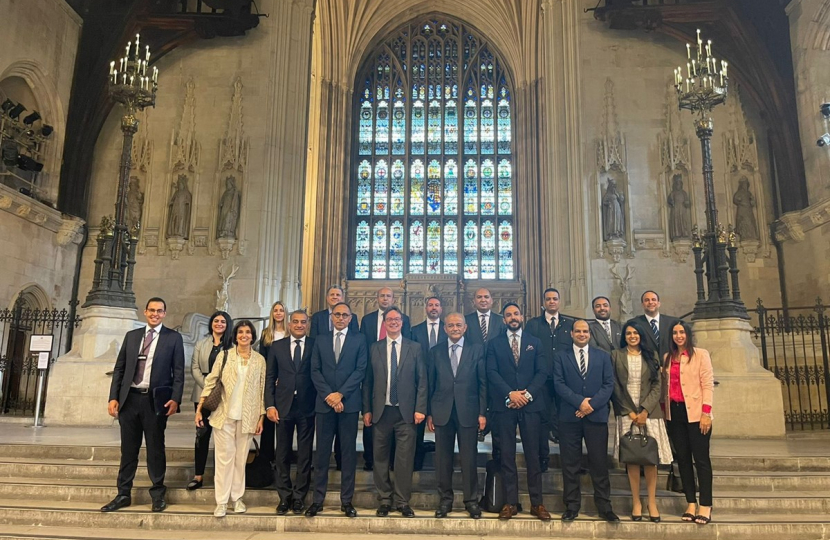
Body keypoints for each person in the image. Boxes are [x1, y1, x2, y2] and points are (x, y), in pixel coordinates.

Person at [102, 297, 185, 514]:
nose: (155, 314)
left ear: (165, 314)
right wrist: (114, 397)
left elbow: (179, 372)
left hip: (154, 401)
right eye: (152, 310)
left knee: (156, 449)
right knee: (128, 450)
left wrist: (175, 398)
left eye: (159, 311)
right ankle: (123, 494)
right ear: (145, 312)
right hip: (130, 399)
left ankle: (157, 494)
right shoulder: (132, 336)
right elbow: (119, 369)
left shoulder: (173, 338)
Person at [486, 303, 550, 521]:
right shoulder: (494, 344)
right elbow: (491, 372)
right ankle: (510, 502)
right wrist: (510, 394)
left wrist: (527, 395)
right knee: (506, 455)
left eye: (516, 314)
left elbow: (542, 372)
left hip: (531, 406)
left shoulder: (535, 342)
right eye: (508, 315)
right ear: (503, 319)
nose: (512, 318)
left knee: (533, 454)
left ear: (522, 316)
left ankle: (537, 503)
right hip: (504, 406)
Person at [195, 320, 266, 518]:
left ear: (253, 336)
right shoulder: (224, 355)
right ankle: (222, 501)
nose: (244, 335)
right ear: (235, 336)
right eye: (241, 332)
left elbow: (261, 391)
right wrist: (200, 408)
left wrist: (261, 416)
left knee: (240, 459)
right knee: (224, 460)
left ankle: (237, 498)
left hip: (248, 417)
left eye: (248, 332)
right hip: (224, 415)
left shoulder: (259, 360)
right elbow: (211, 381)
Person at [363, 307, 427, 518]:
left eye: (397, 319)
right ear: (384, 323)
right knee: (380, 457)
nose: (393, 322)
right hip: (382, 412)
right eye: (389, 319)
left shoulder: (415, 348)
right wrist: (367, 410)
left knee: (404, 459)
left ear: (402, 322)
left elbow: (422, 381)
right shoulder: (374, 347)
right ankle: (384, 499)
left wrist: (420, 409)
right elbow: (368, 382)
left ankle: (402, 501)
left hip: (406, 412)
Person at [552, 319, 619, 523]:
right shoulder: (560, 357)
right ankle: (572, 505)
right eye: (578, 331)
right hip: (569, 417)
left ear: (590, 334)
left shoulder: (603, 356)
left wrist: (591, 405)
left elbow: (609, 384)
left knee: (599, 463)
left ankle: (604, 506)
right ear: (571, 333)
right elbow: (559, 384)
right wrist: (580, 402)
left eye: (585, 331)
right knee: (570, 463)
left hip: (596, 417)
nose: (582, 334)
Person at [306, 302, 368, 518]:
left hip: (348, 404)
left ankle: (346, 501)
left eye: (345, 315)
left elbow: (360, 370)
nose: (341, 318)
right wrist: (329, 396)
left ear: (351, 318)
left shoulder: (359, 340)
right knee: (322, 454)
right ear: (331, 317)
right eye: (337, 314)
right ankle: (317, 500)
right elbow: (315, 370)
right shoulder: (321, 339)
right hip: (324, 405)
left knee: (348, 454)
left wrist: (340, 394)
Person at [611, 321, 672, 522]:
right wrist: (629, 411)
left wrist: (645, 410)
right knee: (633, 458)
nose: (632, 336)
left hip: (650, 413)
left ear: (641, 335)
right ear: (624, 336)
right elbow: (615, 386)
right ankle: (636, 501)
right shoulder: (616, 355)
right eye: (628, 333)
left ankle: (651, 502)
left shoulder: (651, 356)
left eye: (636, 333)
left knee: (650, 458)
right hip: (627, 413)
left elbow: (658, 385)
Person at [427, 312, 486, 519]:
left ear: (465, 327)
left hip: (468, 411)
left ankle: (471, 501)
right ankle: (445, 500)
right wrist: (430, 413)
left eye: (458, 325)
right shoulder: (435, 352)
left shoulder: (476, 350)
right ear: (445, 328)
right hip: (442, 411)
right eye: (450, 325)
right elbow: (430, 384)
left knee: (469, 458)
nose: (454, 328)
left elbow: (482, 384)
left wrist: (482, 412)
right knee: (443, 459)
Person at [663, 321, 714, 525]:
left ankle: (706, 504)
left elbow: (708, 384)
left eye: (682, 332)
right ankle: (691, 502)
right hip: (674, 413)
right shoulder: (668, 357)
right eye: (675, 332)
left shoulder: (701, 354)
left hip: (695, 413)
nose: (678, 335)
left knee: (701, 460)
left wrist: (706, 413)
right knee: (682, 459)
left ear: (688, 334)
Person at [265, 310, 315, 515]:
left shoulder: (315, 345)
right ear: (289, 323)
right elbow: (270, 377)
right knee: (282, 453)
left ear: (307, 324)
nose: (299, 325)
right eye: (295, 322)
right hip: (283, 405)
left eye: (303, 322)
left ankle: (299, 497)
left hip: (307, 406)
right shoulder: (277, 347)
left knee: (304, 455)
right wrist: (269, 405)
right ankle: (284, 496)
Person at [360, 287, 411, 471]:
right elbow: (363, 346)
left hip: (400, 393)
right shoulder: (367, 321)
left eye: (388, 295)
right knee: (373, 436)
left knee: (399, 444)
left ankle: (393, 464)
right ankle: (369, 460)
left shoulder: (407, 329)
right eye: (382, 295)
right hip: (375, 378)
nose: (385, 298)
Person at [187, 310, 233, 491]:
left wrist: (218, 387)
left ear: (227, 324)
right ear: (211, 323)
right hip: (202, 393)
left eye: (223, 321)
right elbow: (194, 367)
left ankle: (223, 477)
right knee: (202, 435)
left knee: (224, 436)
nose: (219, 324)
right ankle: (198, 475)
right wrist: (208, 386)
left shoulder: (231, 346)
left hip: (224, 393)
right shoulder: (201, 343)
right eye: (216, 321)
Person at [525, 288, 574, 457]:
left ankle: (568, 458)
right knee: (542, 420)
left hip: (564, 380)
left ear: (559, 301)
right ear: (543, 303)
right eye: (548, 299)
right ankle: (543, 458)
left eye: (555, 298)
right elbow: (528, 351)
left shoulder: (570, 325)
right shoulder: (533, 324)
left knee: (565, 419)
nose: (552, 301)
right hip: (541, 380)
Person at [408, 295, 446, 470]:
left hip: (443, 381)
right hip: (419, 381)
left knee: (443, 425)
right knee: (418, 425)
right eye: (430, 305)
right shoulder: (415, 331)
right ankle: (416, 463)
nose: (433, 308)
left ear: (441, 309)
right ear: (425, 308)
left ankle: (443, 463)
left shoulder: (448, 329)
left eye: (436, 305)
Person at [258, 300, 289, 465]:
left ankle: (284, 456)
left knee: (285, 421)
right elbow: (263, 358)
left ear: (285, 313)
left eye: (281, 310)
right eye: (276, 310)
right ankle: (266, 456)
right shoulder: (266, 333)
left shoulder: (289, 332)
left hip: (286, 380)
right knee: (269, 420)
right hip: (270, 378)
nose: (278, 313)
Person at [629, 291, 680, 360]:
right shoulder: (634, 323)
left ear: (659, 303)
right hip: (646, 366)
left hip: (670, 364)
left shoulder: (673, 322)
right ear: (642, 304)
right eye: (647, 300)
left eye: (653, 299)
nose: (650, 302)